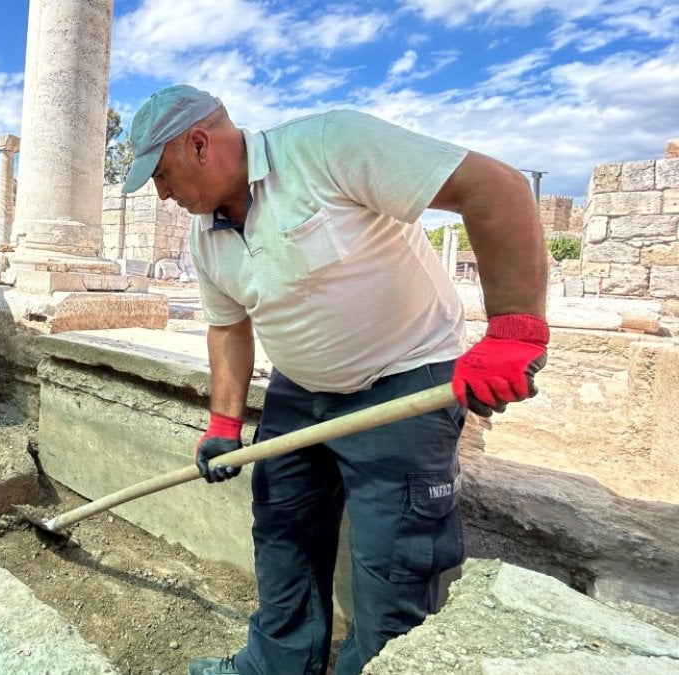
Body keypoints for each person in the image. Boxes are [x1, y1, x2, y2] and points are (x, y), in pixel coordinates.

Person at [122, 85, 548, 675]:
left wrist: (513, 330)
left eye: (163, 176)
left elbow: (495, 187)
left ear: (198, 143)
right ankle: (277, 666)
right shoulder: (206, 233)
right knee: (281, 532)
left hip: (402, 382)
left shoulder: (328, 146)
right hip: (299, 393)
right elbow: (227, 328)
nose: (164, 196)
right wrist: (223, 423)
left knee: (394, 566)